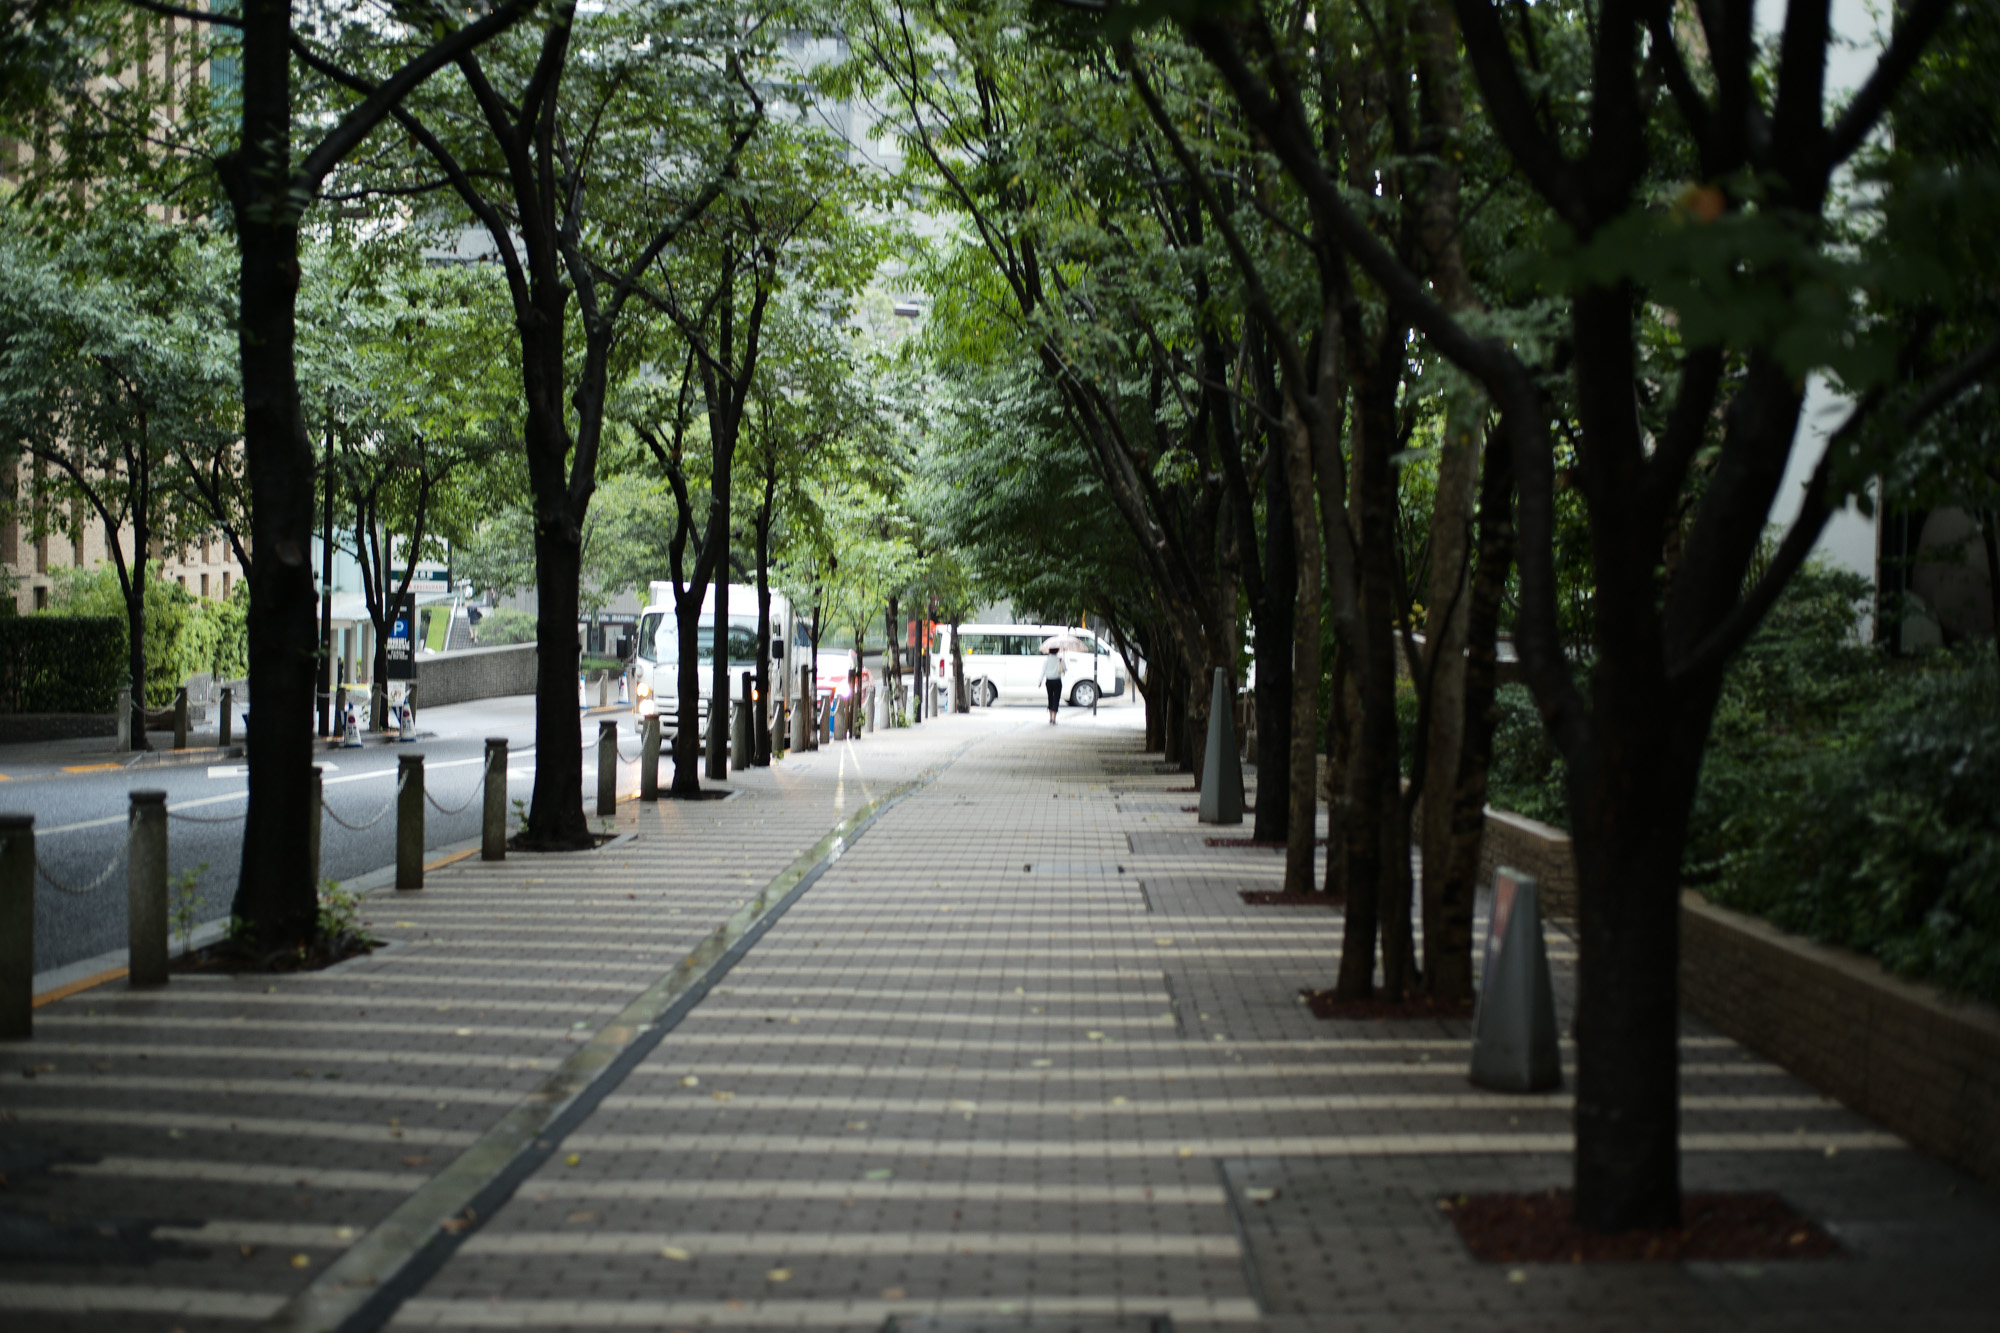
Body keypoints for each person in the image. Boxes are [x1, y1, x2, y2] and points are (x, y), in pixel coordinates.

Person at [1042, 646, 1064, 724]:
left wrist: (1040, 681)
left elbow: (1043, 671)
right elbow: (1065, 669)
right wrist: (1061, 662)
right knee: (1056, 699)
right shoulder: (1060, 659)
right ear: (1057, 651)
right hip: (1057, 681)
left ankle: (1050, 718)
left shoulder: (1046, 660)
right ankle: (1054, 719)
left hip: (1049, 681)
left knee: (1050, 698)